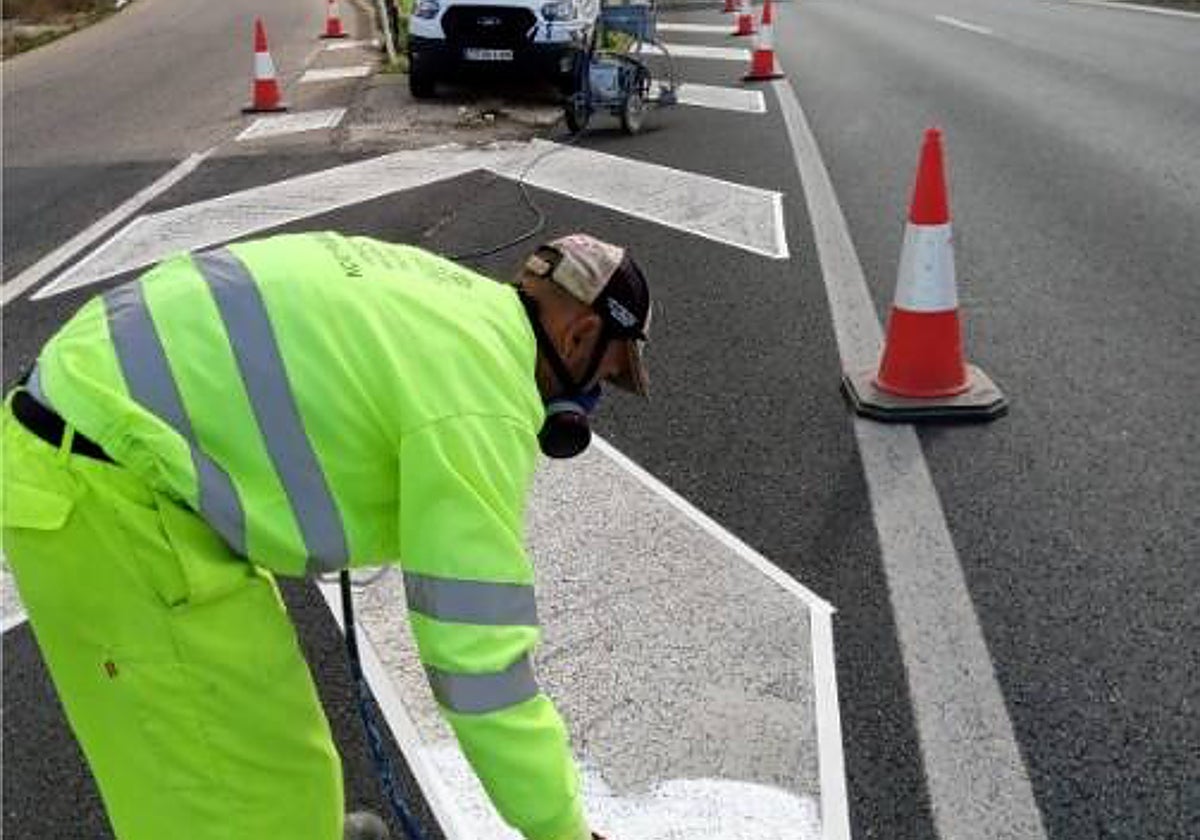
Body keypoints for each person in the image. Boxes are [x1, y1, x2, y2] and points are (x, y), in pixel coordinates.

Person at [1, 231, 651, 840]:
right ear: (579, 336)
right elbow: (478, 660)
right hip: (103, 485)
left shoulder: (456, 303)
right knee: (227, 795)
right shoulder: (483, 400)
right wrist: (562, 829)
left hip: (117, 444)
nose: (595, 395)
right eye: (607, 374)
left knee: (288, 755)